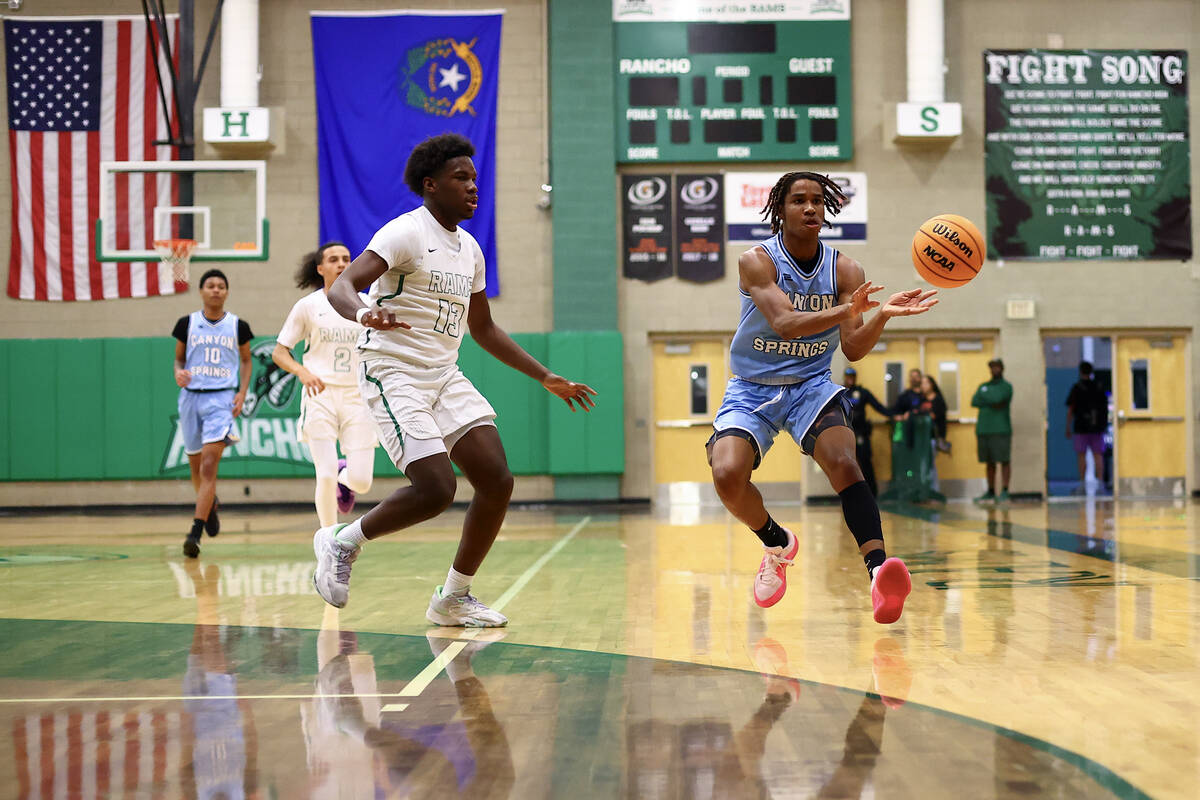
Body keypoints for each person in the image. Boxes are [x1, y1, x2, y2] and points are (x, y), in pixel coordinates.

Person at [313, 133, 597, 626]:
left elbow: (482, 328)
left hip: (444, 374)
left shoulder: (470, 249)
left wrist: (545, 375)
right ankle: (342, 541)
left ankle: (453, 597)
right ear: (430, 185)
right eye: (460, 178)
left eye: (474, 178)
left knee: (497, 480)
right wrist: (364, 316)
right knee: (436, 489)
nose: (472, 187)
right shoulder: (403, 232)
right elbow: (343, 286)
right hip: (391, 370)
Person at [705, 170, 937, 624]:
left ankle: (877, 573)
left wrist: (882, 316)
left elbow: (852, 347)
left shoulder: (845, 269)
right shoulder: (757, 261)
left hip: (812, 383)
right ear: (780, 208)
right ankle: (776, 543)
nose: (810, 207)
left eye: (817, 201)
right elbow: (786, 324)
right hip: (753, 387)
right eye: (798, 200)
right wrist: (850, 309)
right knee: (728, 474)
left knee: (845, 462)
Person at [272, 242, 378, 528]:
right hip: (320, 393)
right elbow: (279, 351)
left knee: (362, 481)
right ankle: (329, 541)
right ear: (320, 268)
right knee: (325, 473)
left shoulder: (367, 304)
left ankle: (347, 479)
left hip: (358, 396)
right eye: (333, 259)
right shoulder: (308, 306)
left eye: (346, 259)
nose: (341, 263)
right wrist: (302, 372)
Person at [172, 269, 253, 558]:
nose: (216, 290)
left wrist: (242, 392)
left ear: (227, 292)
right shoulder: (187, 324)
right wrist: (178, 372)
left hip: (220, 400)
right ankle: (210, 505)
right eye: (211, 285)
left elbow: (246, 361)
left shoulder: (237, 326)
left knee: (208, 466)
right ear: (202, 291)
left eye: (221, 285)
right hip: (191, 399)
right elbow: (179, 358)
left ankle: (195, 532)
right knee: (195, 469)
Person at [842, 366, 891, 495]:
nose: (850, 379)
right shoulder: (840, 393)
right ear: (845, 378)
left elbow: (878, 406)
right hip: (846, 434)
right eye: (848, 377)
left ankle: (872, 493)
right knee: (847, 465)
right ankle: (851, 494)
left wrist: (893, 415)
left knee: (865, 462)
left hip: (861, 433)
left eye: (852, 376)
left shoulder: (862, 392)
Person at [971, 357, 1013, 503]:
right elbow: (974, 401)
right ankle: (990, 491)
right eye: (992, 367)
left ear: (1002, 368)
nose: (994, 369)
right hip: (984, 429)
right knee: (989, 462)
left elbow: (998, 399)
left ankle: (1005, 490)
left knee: (1004, 460)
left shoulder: (1006, 386)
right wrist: (989, 399)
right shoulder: (983, 386)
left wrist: (986, 398)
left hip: (1001, 429)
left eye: (997, 367)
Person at [1065, 360, 1109, 493]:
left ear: (1080, 371)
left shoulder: (1077, 388)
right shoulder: (1099, 387)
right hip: (1097, 427)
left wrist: (1067, 426)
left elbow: (1071, 409)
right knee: (1098, 455)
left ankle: (1082, 484)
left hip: (1081, 427)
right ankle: (1100, 483)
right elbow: (1105, 408)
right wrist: (1103, 425)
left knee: (1081, 455)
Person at [918, 373, 949, 489]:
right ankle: (925, 490)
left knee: (930, 465)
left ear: (932, 384)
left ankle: (933, 491)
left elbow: (934, 416)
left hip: (933, 437)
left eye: (926, 383)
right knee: (923, 465)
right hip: (922, 437)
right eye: (922, 383)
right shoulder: (921, 400)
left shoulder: (938, 400)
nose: (923, 386)